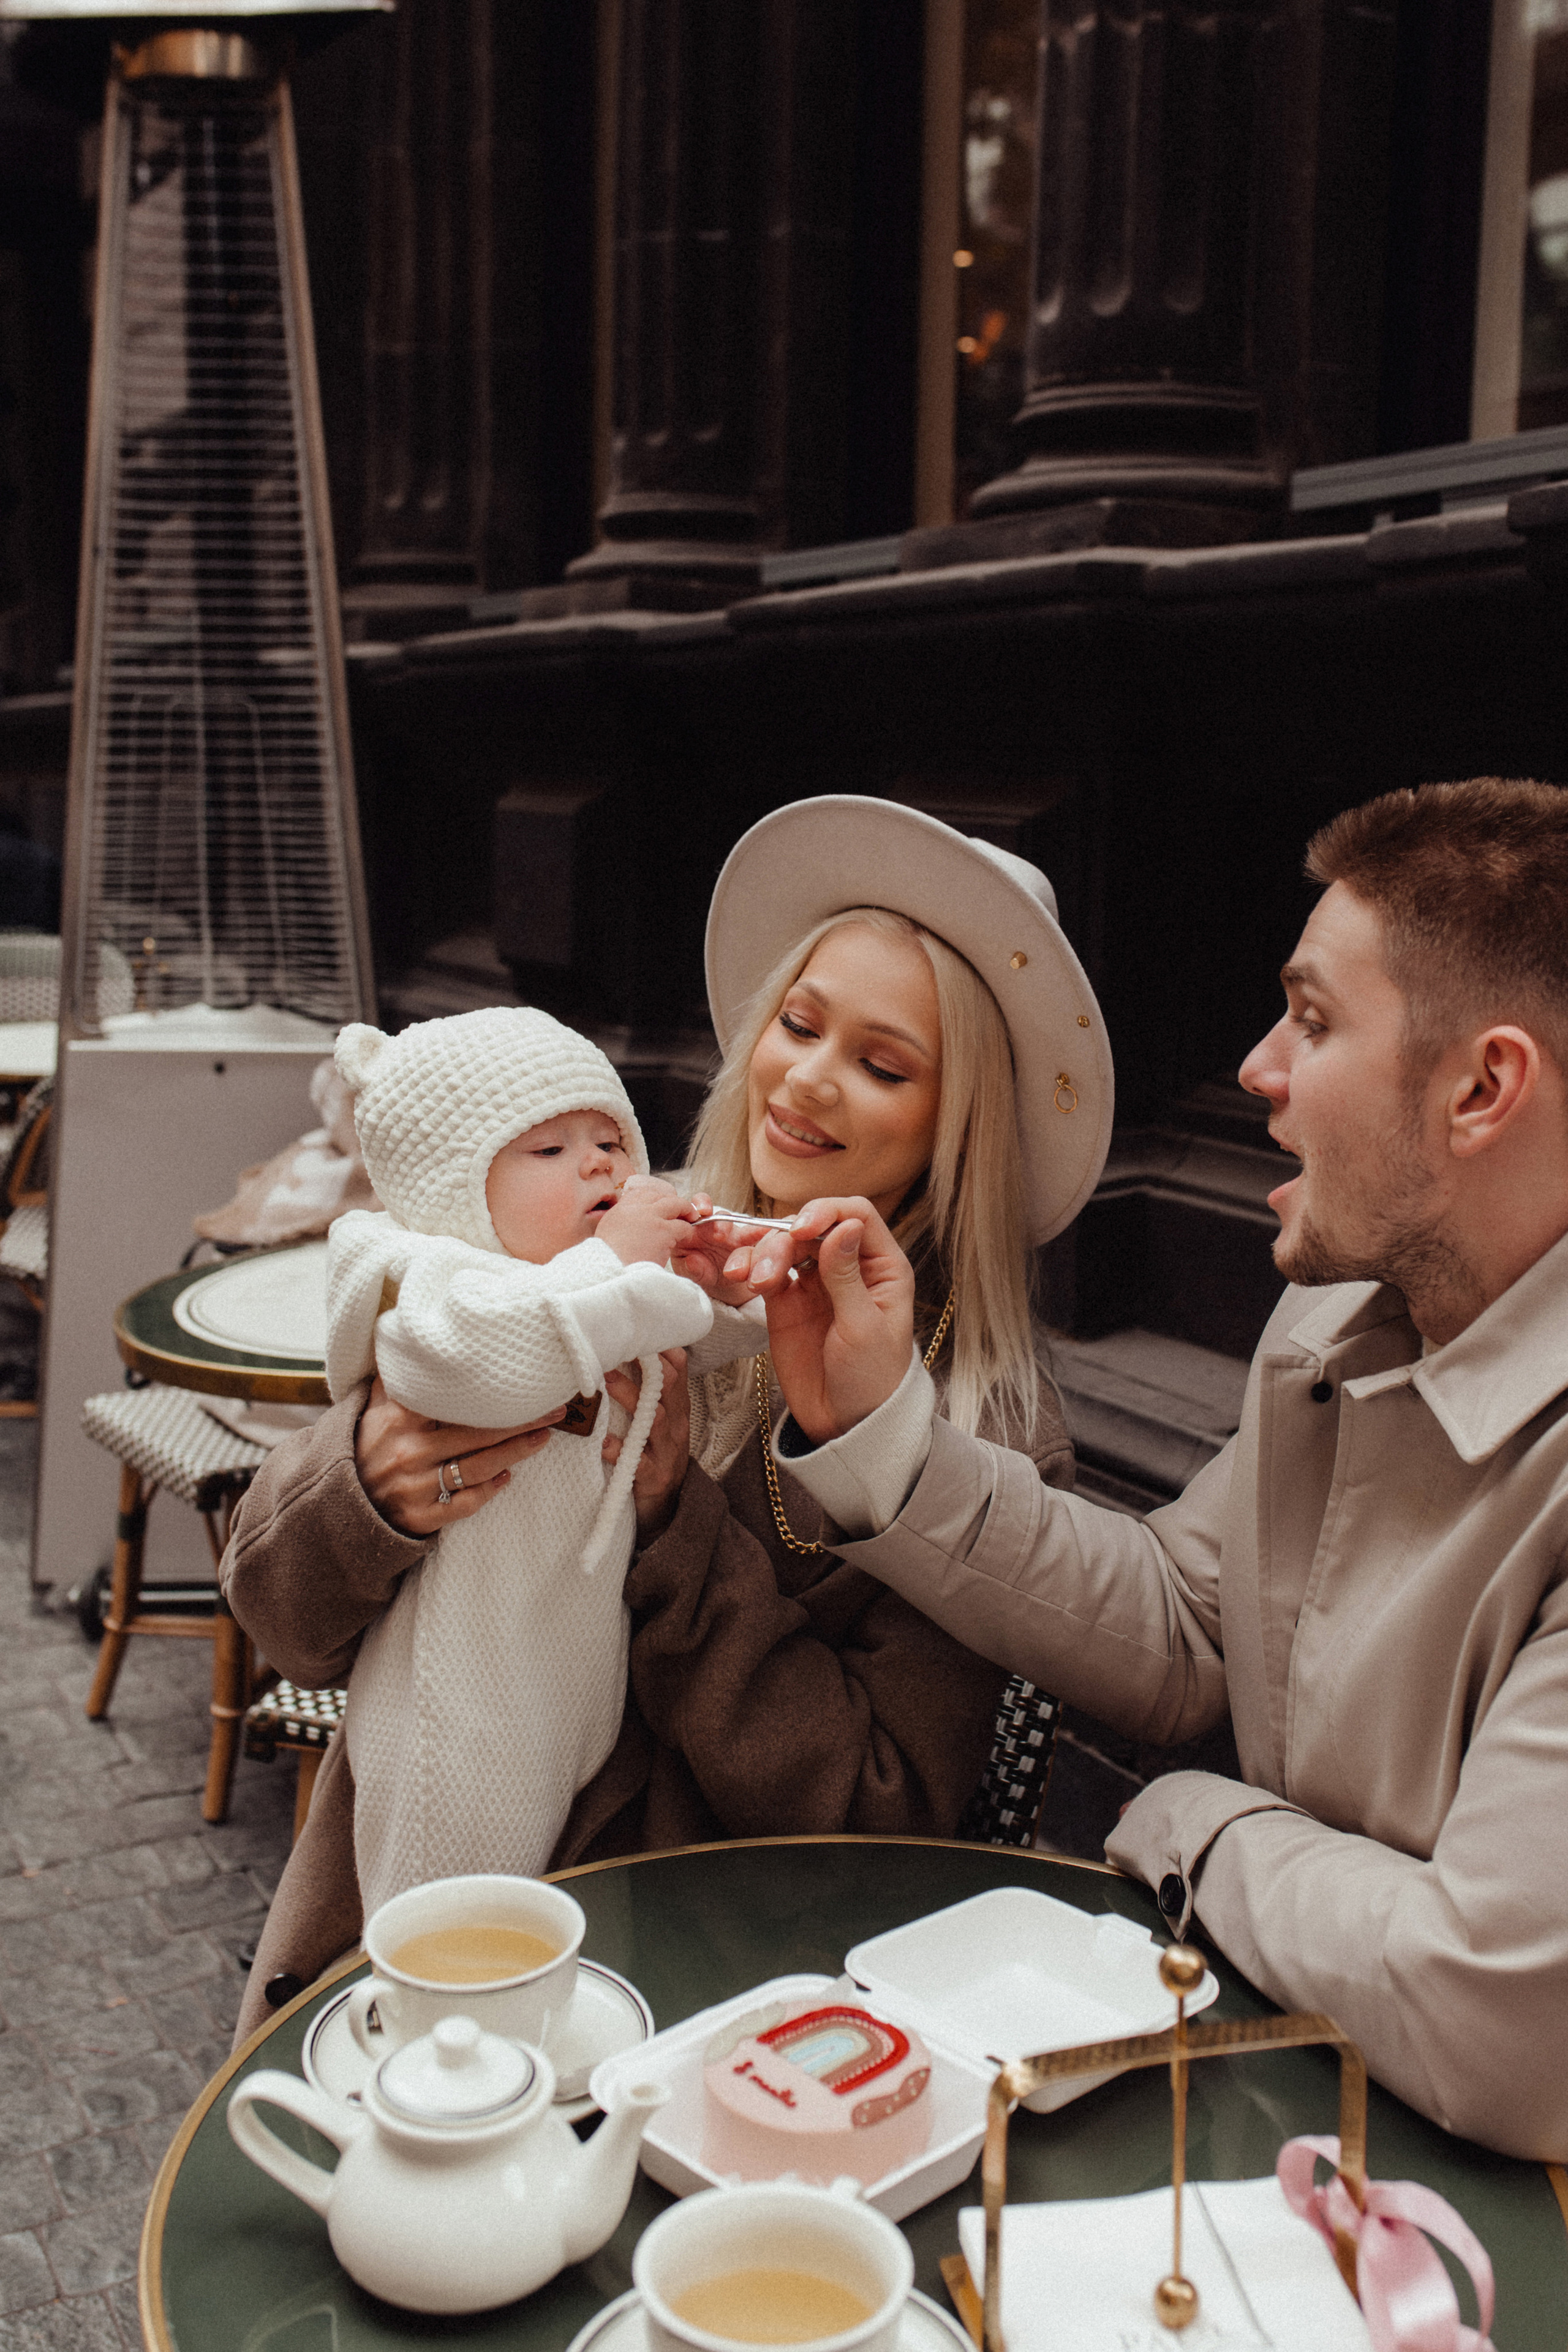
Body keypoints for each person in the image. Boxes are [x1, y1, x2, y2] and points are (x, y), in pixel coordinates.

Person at [741, 778, 1568, 2161]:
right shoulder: (1325, 1321)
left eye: (1309, 1020)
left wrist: (1190, 1820)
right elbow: (1192, 1627)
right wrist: (878, 1431)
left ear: (1481, 1089)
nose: (1254, 1068)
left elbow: (1496, 2015)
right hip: (1285, 2100)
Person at [224, 797, 1113, 2044]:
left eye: (881, 1062)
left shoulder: (984, 1430)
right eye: (798, 1025)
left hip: (688, 2007)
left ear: (953, 1126)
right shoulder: (582, 1221)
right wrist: (365, 1484)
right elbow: (278, 1617)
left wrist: (670, 1529)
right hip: (407, 1948)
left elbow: (877, 1819)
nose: (806, 1078)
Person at [320, 1007, 729, 1916]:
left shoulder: (584, 1279)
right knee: (449, 1935)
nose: (598, 1165)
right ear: (451, 1193)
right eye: (548, 1151)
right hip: (460, 1714)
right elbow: (463, 1364)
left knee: (547, 1933)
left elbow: (685, 1316)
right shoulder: (429, 1276)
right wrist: (612, 1266)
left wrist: (731, 1273)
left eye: (609, 1139)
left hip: (577, 1679)